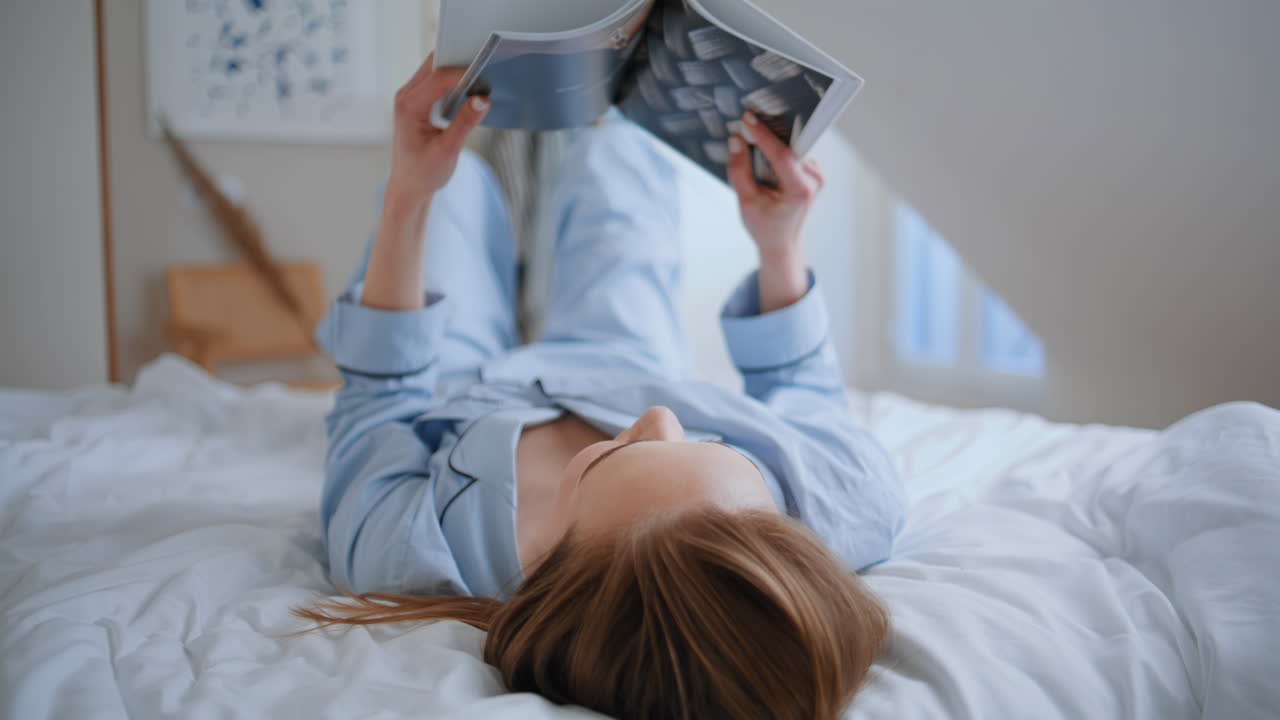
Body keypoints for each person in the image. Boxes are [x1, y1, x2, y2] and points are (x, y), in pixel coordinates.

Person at [294, 54, 906, 720]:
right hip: (622, 357)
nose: (660, 418)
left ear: (548, 562)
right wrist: (779, 243)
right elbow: (799, 388)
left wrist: (408, 195)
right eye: (708, 444)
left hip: (460, 390)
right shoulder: (845, 500)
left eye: (622, 452)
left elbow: (377, 398)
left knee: (453, 183)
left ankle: (474, 197)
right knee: (621, 147)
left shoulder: (410, 555)